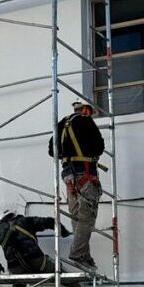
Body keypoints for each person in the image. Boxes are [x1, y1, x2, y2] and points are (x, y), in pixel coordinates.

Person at [48, 98, 104, 270]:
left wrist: (70, 153)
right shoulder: (86, 122)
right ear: (86, 110)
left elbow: (52, 151)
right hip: (85, 173)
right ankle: (79, 253)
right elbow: (99, 147)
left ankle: (84, 254)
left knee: (77, 215)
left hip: (68, 176)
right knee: (88, 215)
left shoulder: (61, 124)